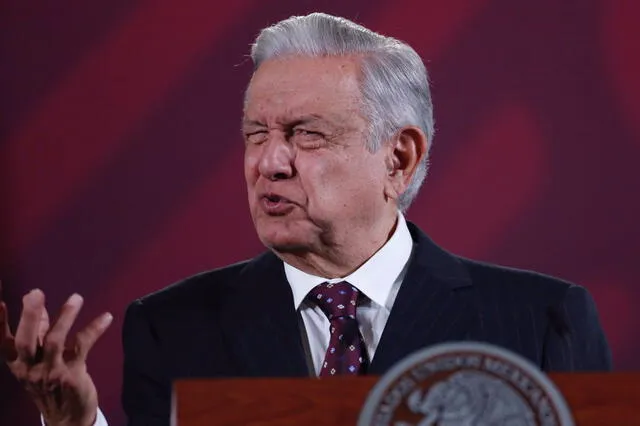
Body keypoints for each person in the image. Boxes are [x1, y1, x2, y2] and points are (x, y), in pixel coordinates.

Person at [0, 12, 611, 426]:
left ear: (399, 158)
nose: (268, 162)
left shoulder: (540, 323)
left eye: (305, 135)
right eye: (254, 134)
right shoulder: (172, 326)